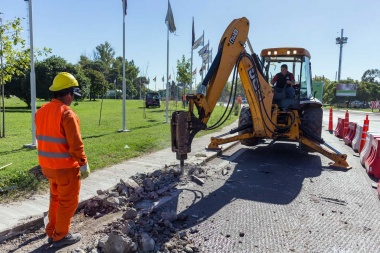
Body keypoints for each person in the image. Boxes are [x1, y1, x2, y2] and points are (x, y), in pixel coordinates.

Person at [35, 72, 90, 248]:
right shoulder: (67, 114)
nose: (73, 99)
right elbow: (75, 145)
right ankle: (61, 236)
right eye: (73, 95)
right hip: (66, 168)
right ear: (68, 94)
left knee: (56, 199)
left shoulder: (41, 111)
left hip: (48, 167)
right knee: (68, 202)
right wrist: (83, 163)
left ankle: (52, 232)